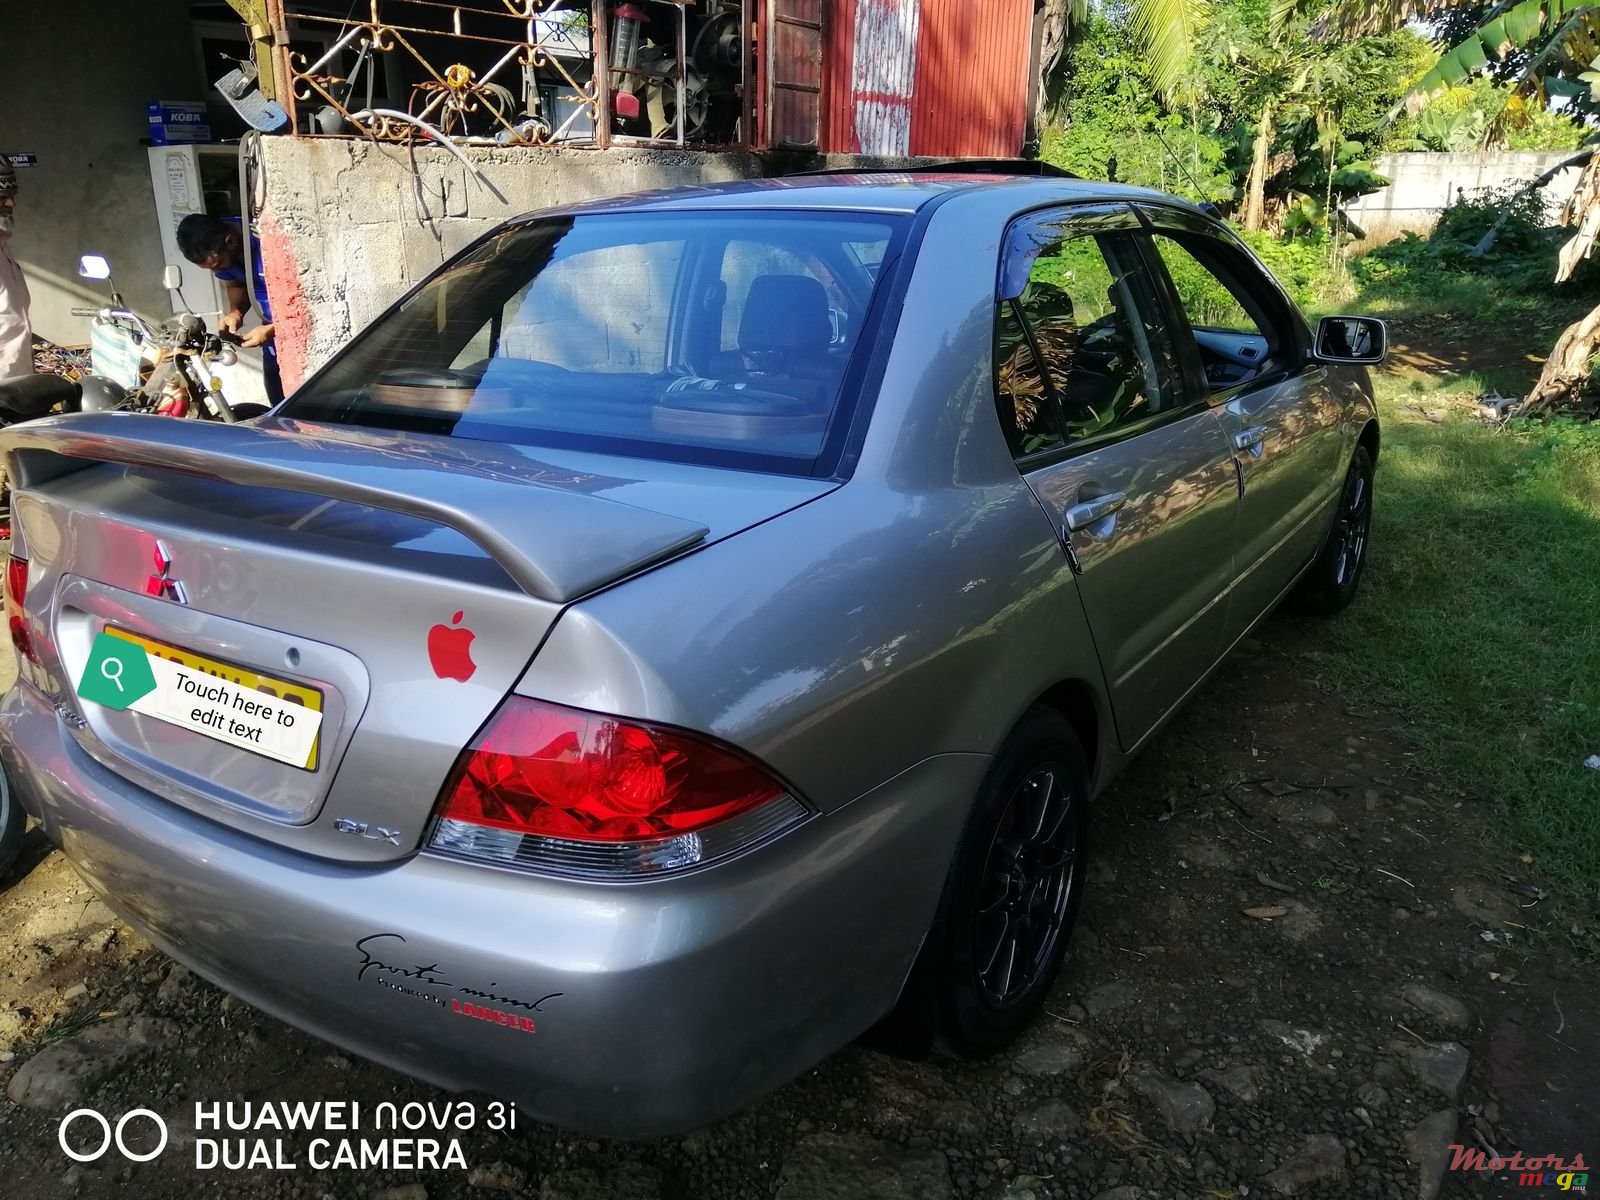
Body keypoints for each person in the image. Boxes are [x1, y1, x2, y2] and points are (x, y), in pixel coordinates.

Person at [176, 212, 282, 402]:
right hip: (273, 332)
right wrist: (236, 312)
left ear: (230, 241)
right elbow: (236, 283)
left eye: (217, 265)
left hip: (302, 331)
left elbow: (309, 299)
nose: (218, 272)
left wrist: (273, 329)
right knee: (278, 398)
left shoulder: (269, 239)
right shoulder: (225, 252)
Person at [0, 155, 33, 381]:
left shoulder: (4, 247)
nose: (12, 203)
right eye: (2, 197)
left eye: (12, 196)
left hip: (16, 383)